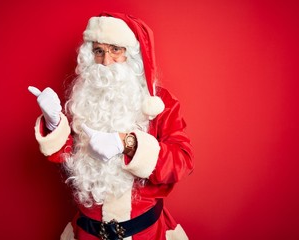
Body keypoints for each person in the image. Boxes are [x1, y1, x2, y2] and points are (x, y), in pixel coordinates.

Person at [29, 12, 194, 240]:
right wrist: (53, 122)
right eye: (99, 51)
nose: (106, 61)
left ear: (132, 55)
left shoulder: (160, 102)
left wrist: (127, 143)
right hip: (88, 233)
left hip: (144, 233)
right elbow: (67, 157)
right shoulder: (81, 99)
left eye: (115, 49)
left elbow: (182, 161)